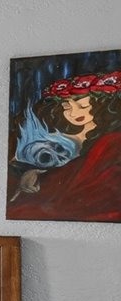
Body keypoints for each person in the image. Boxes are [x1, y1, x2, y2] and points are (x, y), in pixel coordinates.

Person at [9, 71, 121, 222]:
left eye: (82, 106)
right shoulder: (54, 136)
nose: (73, 113)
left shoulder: (108, 142)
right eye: (67, 106)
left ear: (101, 105)